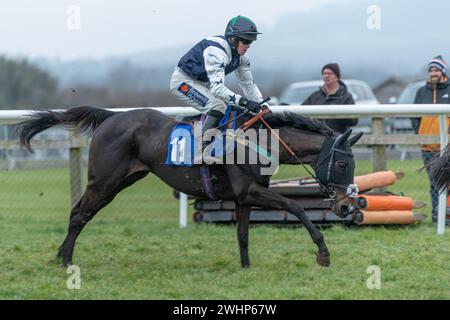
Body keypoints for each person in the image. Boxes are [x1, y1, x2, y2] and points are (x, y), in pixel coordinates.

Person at [170, 15, 267, 154]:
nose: (248, 45)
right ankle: (198, 149)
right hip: (182, 82)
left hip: (199, 83)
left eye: (251, 41)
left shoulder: (242, 59)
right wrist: (245, 102)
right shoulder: (216, 51)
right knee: (218, 106)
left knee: (229, 109)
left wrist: (263, 106)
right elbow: (216, 88)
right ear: (233, 39)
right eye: (245, 41)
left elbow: (248, 84)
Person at [411, 55, 450, 222]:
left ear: (443, 71)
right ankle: (437, 214)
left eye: (436, 70)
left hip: (447, 147)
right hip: (428, 147)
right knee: (434, 183)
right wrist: (420, 132)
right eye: (431, 70)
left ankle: (447, 213)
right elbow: (414, 116)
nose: (433, 73)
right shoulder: (421, 91)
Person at [302, 63, 358, 133]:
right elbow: (301, 113)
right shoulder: (315, 96)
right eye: (324, 73)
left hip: (337, 139)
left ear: (337, 76)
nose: (326, 76)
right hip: (317, 138)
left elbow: (354, 121)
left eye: (329, 73)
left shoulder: (346, 97)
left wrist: (339, 112)